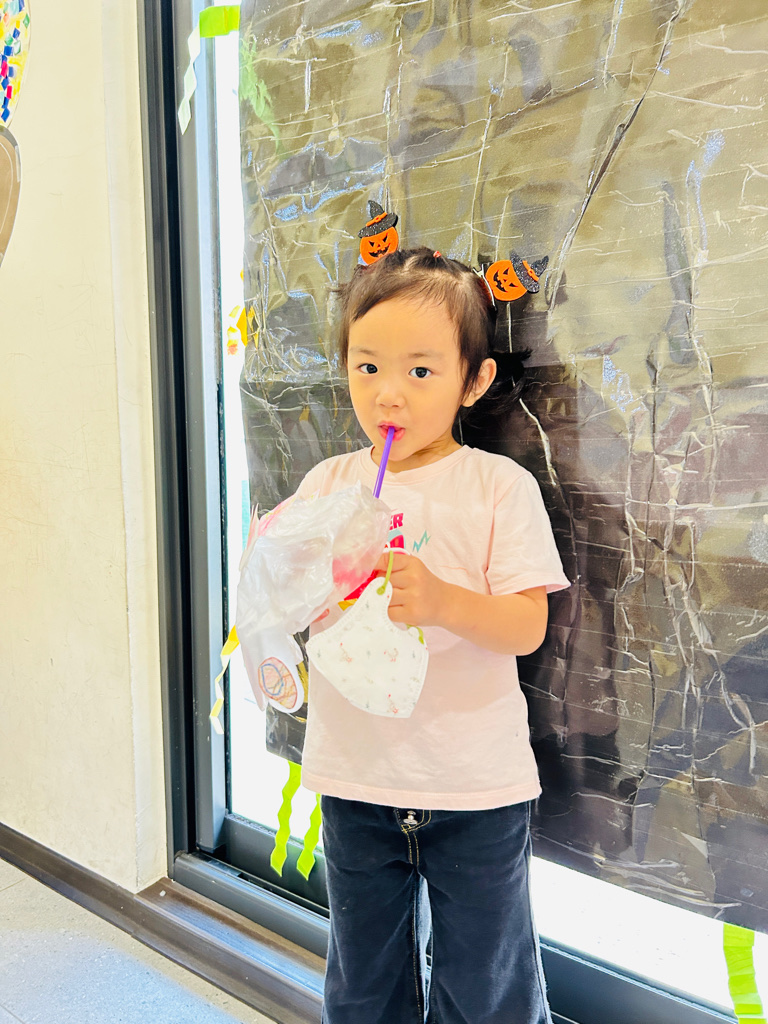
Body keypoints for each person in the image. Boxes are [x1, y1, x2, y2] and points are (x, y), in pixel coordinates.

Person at [295, 246, 571, 1024]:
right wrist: (291, 578)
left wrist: (445, 601)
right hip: (356, 779)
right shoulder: (328, 487)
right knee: (363, 987)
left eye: (420, 371)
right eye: (367, 368)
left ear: (473, 381)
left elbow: (527, 625)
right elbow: (296, 606)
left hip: (474, 786)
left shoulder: (497, 487)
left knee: (486, 988)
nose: (389, 394)